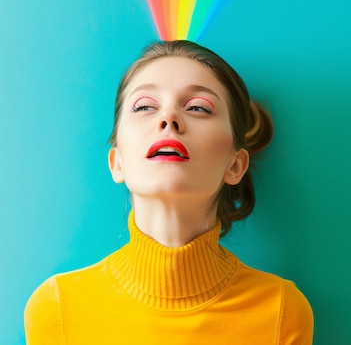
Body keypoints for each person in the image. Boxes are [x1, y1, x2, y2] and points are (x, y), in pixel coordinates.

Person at [24, 40, 314, 344]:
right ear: (117, 162)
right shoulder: (56, 310)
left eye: (199, 108)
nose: (169, 118)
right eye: (145, 106)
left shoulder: (282, 312)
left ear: (236, 165)